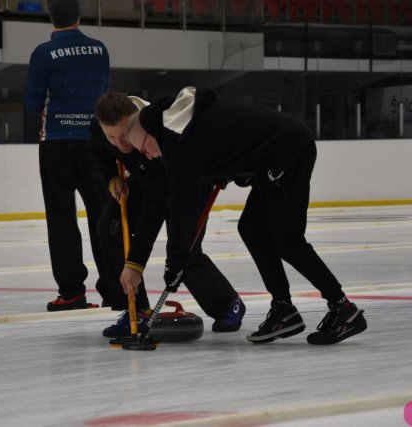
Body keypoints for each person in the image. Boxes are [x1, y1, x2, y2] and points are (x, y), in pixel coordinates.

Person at [122, 86, 367, 346]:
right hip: (271, 160)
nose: (146, 154)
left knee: (287, 240)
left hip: (289, 152)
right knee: (251, 229)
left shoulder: (176, 140)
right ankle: (283, 308)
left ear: (149, 133)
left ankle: (343, 309)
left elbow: (184, 204)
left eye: (144, 147)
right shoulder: (176, 128)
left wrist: (176, 260)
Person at [92, 93, 245, 337]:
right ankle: (135, 310)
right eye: (112, 137)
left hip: (188, 180)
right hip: (148, 179)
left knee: (184, 249)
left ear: (136, 122)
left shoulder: (160, 134)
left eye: (124, 136)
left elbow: (156, 208)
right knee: (110, 227)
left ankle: (228, 303)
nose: (120, 144)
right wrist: (112, 178)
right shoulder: (99, 125)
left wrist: (136, 263)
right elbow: (98, 151)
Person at [24, 0, 110, 311]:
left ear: (51, 15)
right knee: (104, 216)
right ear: (78, 14)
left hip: (56, 144)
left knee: (61, 220)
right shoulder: (100, 50)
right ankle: (115, 289)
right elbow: (105, 96)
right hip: (95, 142)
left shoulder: (43, 53)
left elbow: (33, 103)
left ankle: (72, 293)